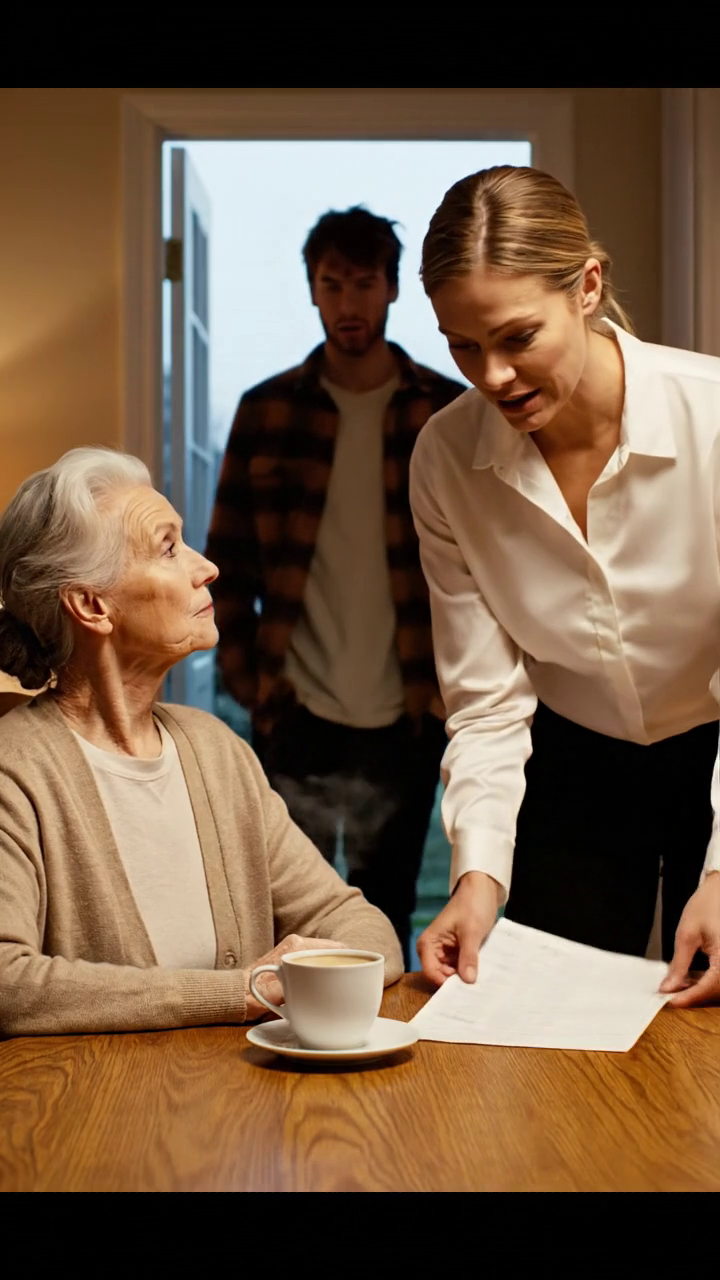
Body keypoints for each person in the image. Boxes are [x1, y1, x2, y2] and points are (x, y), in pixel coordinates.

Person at [409, 165, 720, 1008]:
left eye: (516, 337)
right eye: (462, 346)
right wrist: (477, 876)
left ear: (587, 286)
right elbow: (485, 700)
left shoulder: (713, 420)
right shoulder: (444, 460)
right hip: (570, 765)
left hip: (716, 745)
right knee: (553, 1041)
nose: (493, 376)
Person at [0, 447, 403, 1038]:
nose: (207, 566)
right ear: (91, 605)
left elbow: (363, 927)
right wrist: (241, 994)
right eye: (168, 548)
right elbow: (9, 985)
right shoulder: (16, 769)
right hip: (92, 1116)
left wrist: (297, 980)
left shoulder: (216, 752)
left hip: (238, 1110)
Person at [205, 205, 464, 966]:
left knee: (387, 911)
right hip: (296, 708)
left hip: (412, 709)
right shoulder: (267, 408)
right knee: (290, 916)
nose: (348, 303)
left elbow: (485, 566)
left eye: (364, 284)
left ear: (391, 290)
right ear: (312, 291)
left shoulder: (446, 411)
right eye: (331, 285)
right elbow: (226, 562)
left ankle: (386, 1072)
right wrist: (248, 682)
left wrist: (454, 692)